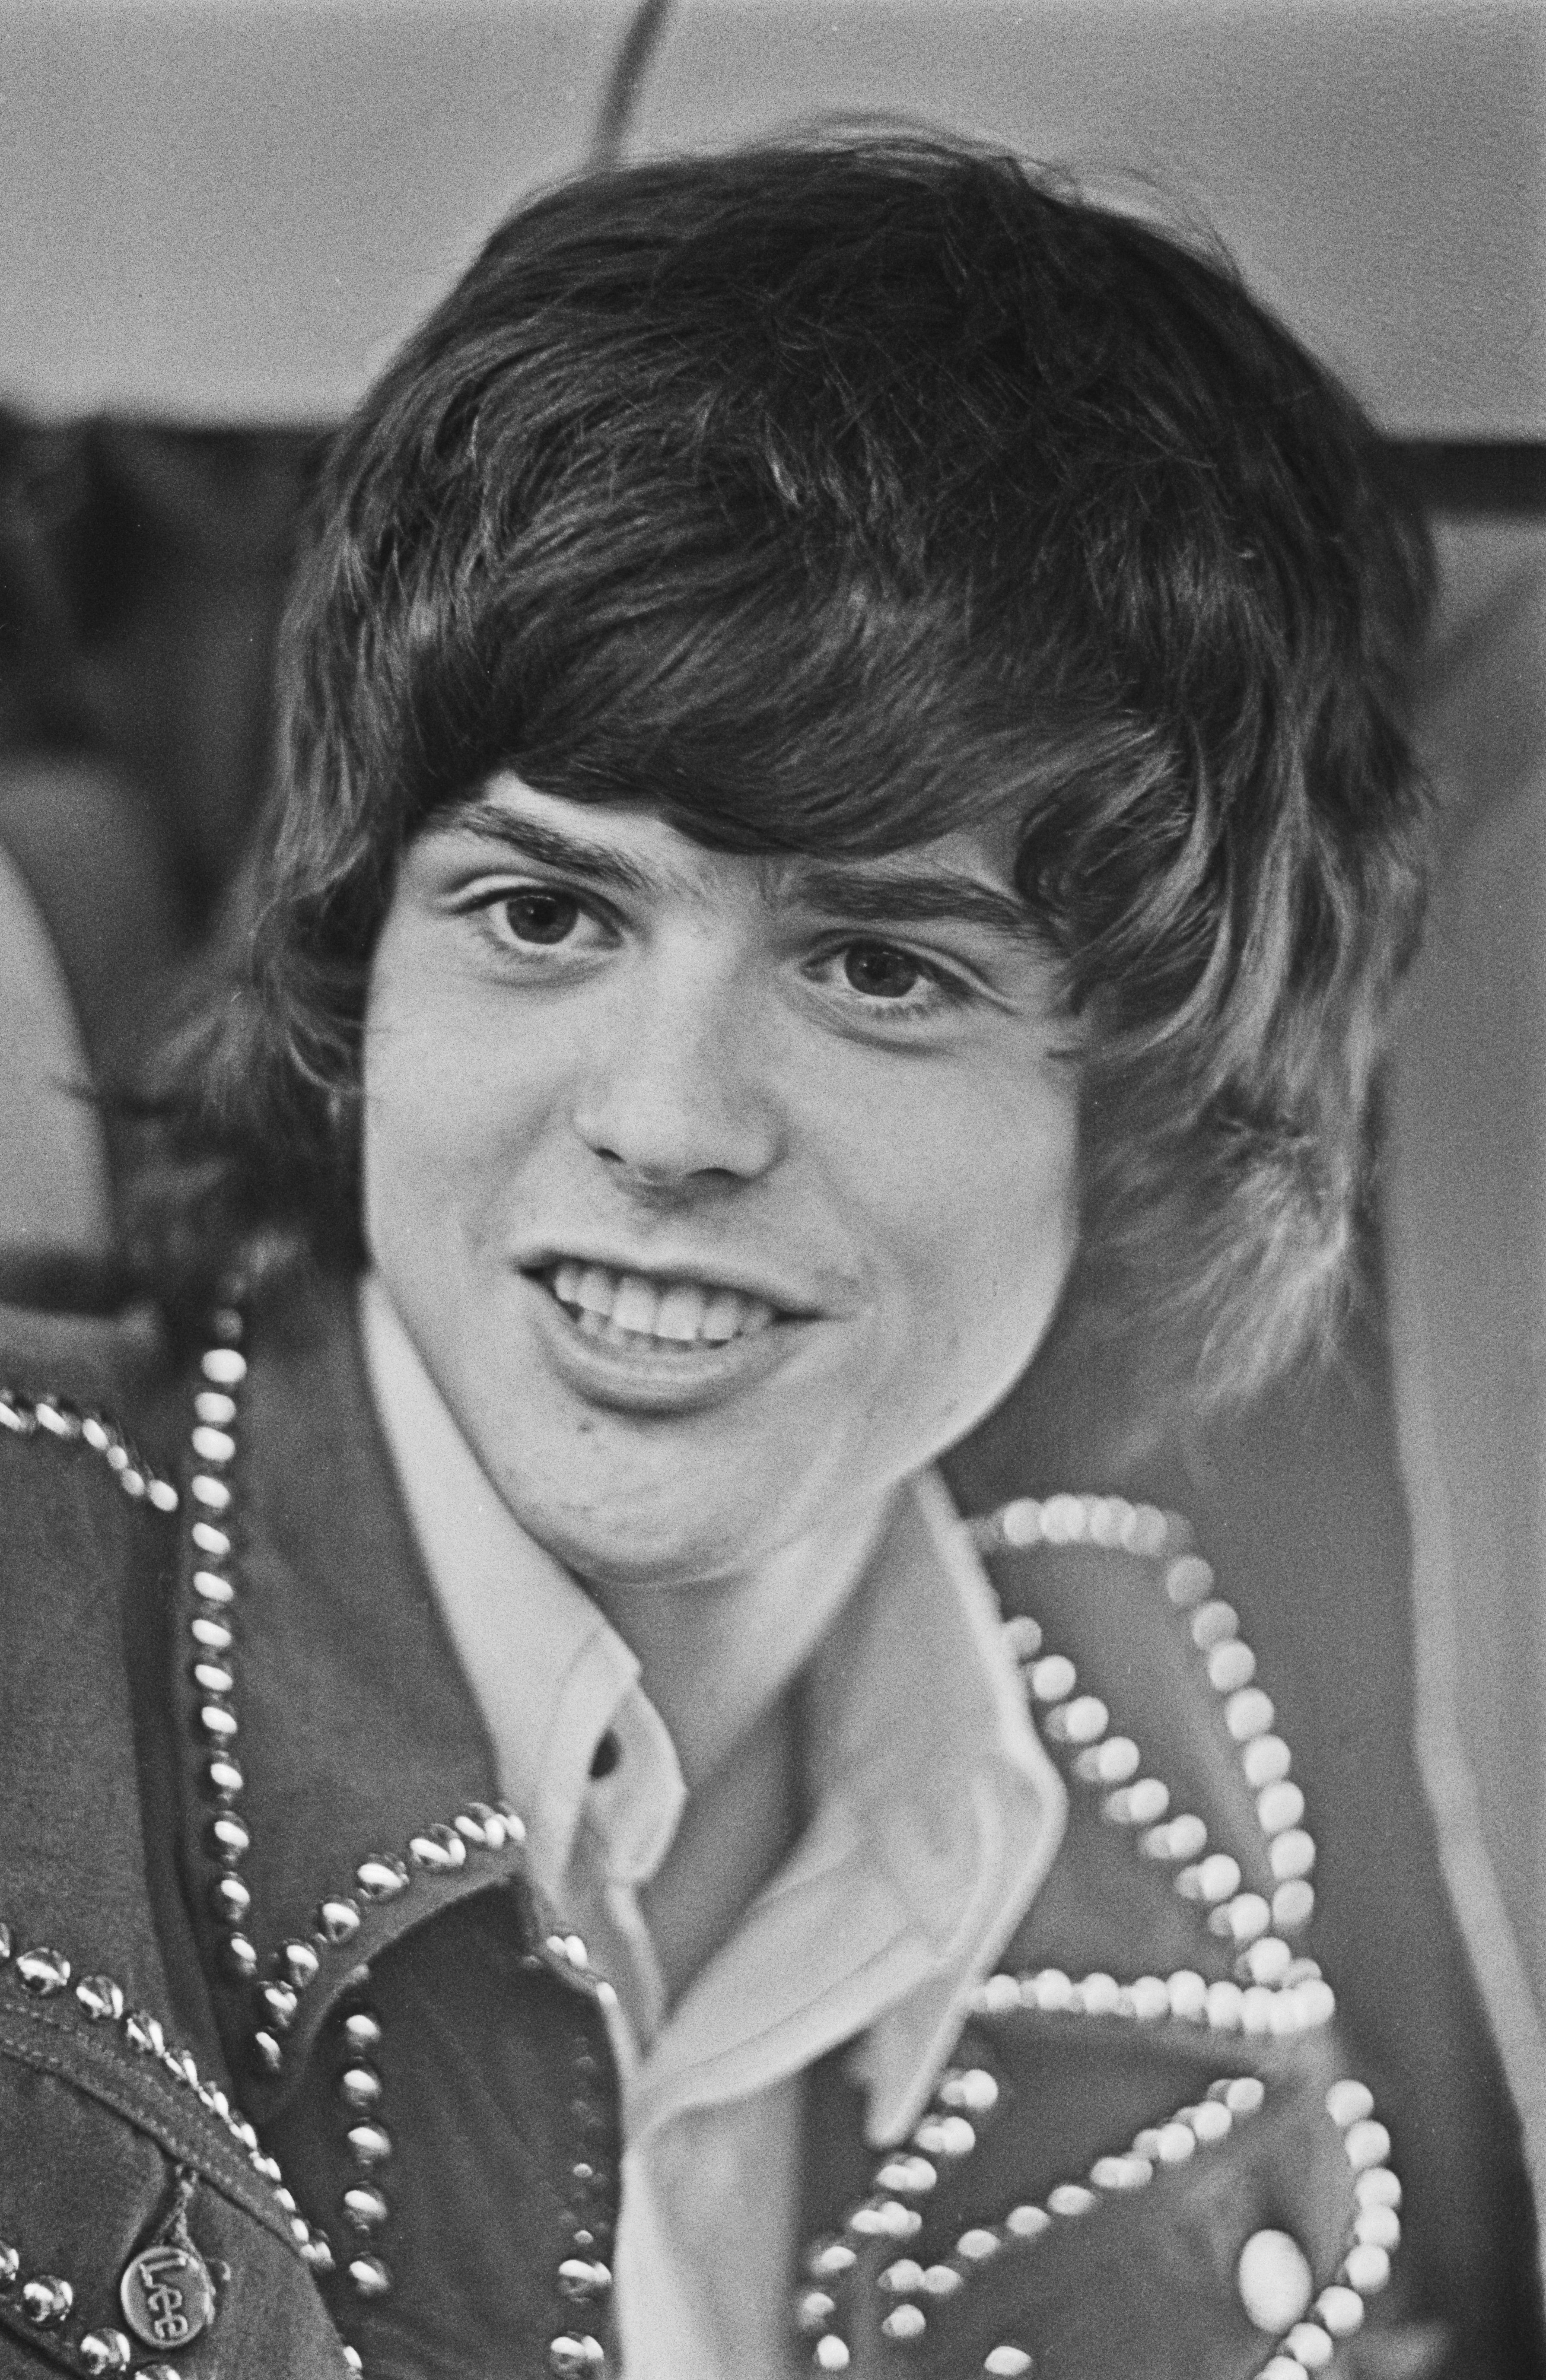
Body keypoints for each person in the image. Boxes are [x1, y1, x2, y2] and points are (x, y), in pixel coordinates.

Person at [0, 135, 1538, 2380]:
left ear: (1141, 1103)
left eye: (880, 967)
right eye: (546, 911)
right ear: (367, 968)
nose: (664, 1118)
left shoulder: (1166, 1751)